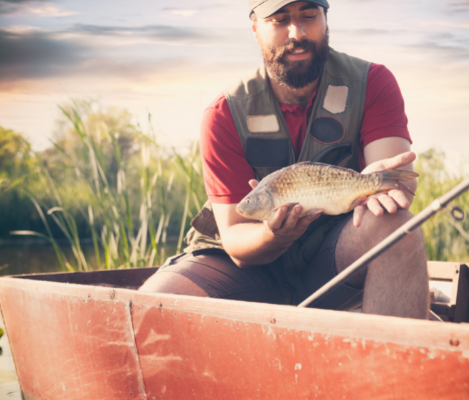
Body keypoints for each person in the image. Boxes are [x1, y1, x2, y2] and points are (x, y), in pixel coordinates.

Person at [139, 0, 429, 319]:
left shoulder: (373, 82)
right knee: (148, 306)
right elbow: (235, 239)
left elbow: (396, 184)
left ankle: (391, 363)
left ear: (325, 18)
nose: (298, 32)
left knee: (398, 227)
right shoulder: (223, 113)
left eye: (309, 16)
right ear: (255, 29)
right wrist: (273, 234)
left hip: (333, 257)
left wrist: (376, 186)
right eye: (279, 20)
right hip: (244, 267)